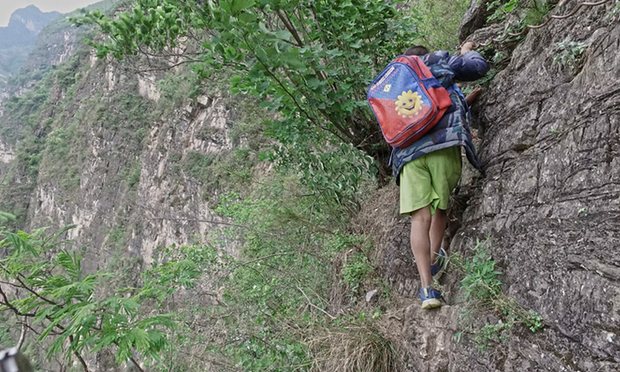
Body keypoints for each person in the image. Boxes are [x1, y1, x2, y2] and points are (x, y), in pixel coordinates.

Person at [391, 42, 489, 309]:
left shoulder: (394, 83)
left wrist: (464, 103)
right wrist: (466, 50)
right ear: (423, 57)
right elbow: (478, 68)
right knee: (440, 209)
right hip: (441, 147)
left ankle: (426, 289)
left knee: (419, 217)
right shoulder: (435, 63)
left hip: (407, 156)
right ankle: (435, 260)